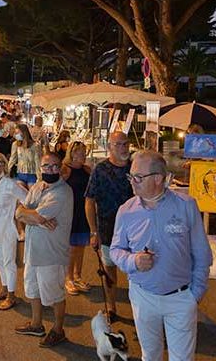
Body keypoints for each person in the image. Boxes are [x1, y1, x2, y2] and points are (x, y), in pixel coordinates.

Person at [110, 151, 211, 361]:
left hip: (181, 299)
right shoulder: (126, 210)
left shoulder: (185, 206)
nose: (131, 181)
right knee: (150, 360)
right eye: (130, 176)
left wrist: (194, 294)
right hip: (143, 297)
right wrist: (132, 261)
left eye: (137, 177)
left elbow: (202, 254)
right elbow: (115, 249)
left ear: (158, 178)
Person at [14, 152, 73, 347]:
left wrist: (31, 216)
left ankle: (58, 330)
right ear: (40, 168)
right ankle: (36, 324)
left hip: (51, 254)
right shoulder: (38, 186)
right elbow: (19, 211)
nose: (50, 170)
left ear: (60, 168)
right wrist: (35, 218)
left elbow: (33, 215)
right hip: (33, 250)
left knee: (54, 295)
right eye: (46, 166)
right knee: (32, 289)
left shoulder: (63, 192)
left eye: (55, 166)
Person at [84, 131, 133, 321]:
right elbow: (90, 201)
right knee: (109, 269)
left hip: (135, 230)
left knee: (136, 271)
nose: (123, 148)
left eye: (125, 144)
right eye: (118, 144)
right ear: (109, 147)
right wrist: (93, 231)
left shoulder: (136, 167)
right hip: (107, 228)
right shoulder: (100, 170)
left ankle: (141, 311)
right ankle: (111, 307)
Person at [0, 152, 28, 310]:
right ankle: (4, 288)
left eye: (1, 163)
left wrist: (21, 212)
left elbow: (27, 198)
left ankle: (11, 295)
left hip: (7, 228)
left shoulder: (10, 184)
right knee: (0, 261)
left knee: (9, 262)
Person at [61, 141, 91, 296]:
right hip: (70, 211)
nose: (83, 156)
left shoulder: (87, 170)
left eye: (85, 153)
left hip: (84, 211)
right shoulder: (65, 169)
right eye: (80, 153)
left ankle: (78, 275)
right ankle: (69, 278)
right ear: (72, 153)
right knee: (72, 247)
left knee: (81, 246)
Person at [8, 124, 41, 189]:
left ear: (24, 133)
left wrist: (39, 178)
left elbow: (38, 162)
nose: (16, 135)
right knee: (21, 193)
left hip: (32, 174)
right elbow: (12, 159)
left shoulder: (35, 145)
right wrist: (8, 171)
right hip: (20, 173)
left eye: (18, 133)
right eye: (15, 133)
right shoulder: (15, 144)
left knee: (31, 193)